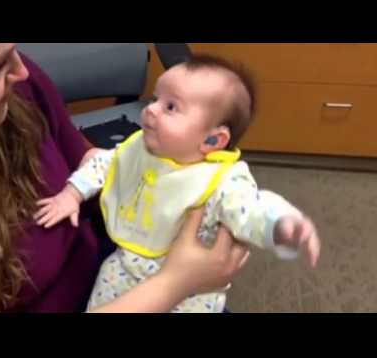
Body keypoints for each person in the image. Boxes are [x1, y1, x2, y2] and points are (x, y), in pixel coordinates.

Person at [0, 43, 249, 313]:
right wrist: (175, 283)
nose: (21, 71)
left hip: (117, 258)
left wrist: (118, 170)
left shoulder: (22, 85)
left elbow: (73, 148)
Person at [35, 54, 321, 313]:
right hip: (124, 266)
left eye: (171, 107)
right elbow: (101, 164)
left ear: (212, 140)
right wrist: (72, 194)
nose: (151, 110)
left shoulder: (222, 181)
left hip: (192, 291)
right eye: (155, 99)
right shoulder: (142, 149)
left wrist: (282, 225)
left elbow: (253, 210)